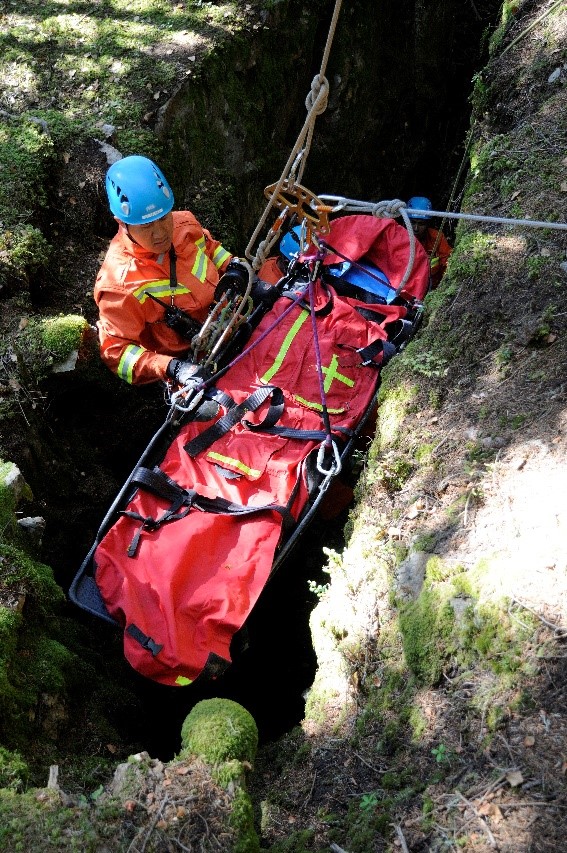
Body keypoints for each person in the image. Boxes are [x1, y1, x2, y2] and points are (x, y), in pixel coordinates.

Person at [94, 155, 248, 386]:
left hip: (230, 323)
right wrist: (171, 367)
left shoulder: (184, 225)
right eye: (146, 226)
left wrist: (237, 270)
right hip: (192, 362)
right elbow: (116, 353)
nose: (161, 233)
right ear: (121, 223)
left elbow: (212, 250)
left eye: (163, 218)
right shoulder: (120, 284)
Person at [406, 195, 452, 289]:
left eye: (421, 224)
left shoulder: (436, 238)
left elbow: (448, 262)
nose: (416, 228)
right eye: (413, 222)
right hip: (407, 288)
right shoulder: (399, 238)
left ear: (428, 224)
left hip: (434, 288)